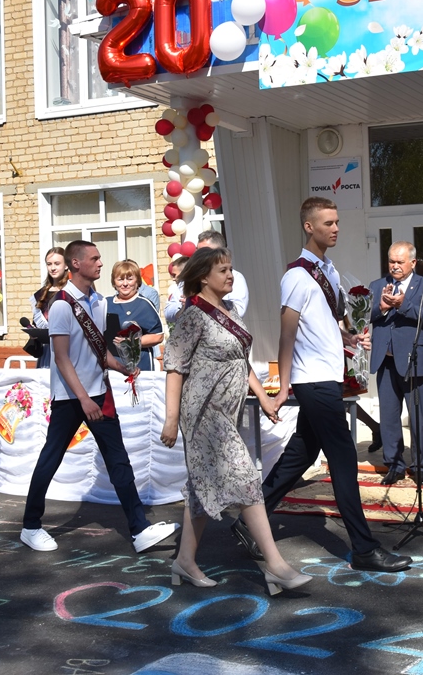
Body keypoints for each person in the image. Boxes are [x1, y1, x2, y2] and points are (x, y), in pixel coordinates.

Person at [233, 197, 410, 573]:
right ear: (309, 227)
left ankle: (248, 521)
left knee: (301, 454)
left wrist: (349, 338)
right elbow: (287, 333)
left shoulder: (328, 269)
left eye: (337, 221)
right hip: (311, 380)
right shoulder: (296, 275)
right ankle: (363, 549)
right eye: (328, 222)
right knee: (344, 460)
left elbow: (328, 324)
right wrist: (282, 388)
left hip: (328, 374)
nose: (336, 228)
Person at [160, 246, 311, 595]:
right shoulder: (192, 316)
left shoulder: (228, 311)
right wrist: (171, 419)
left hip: (228, 410)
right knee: (245, 476)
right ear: (202, 278)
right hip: (202, 413)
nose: (230, 275)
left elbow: (241, 362)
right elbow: (174, 367)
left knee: (202, 486)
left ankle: (184, 560)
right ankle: (275, 566)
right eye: (223, 270)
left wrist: (263, 397)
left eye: (231, 268)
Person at [18, 240, 178, 552]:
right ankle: (31, 525)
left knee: (119, 459)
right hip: (71, 396)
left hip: (99, 392)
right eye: (94, 258)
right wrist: (83, 399)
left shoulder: (100, 302)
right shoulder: (61, 305)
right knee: (51, 458)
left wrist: (121, 367)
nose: (101, 264)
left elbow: (99, 352)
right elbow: (62, 358)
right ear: (75, 264)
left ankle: (139, 528)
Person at [368, 241, 423, 486]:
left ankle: (419, 466)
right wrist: (382, 306)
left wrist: (403, 305)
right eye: (391, 261)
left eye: (400, 262)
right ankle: (394, 465)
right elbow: (365, 315)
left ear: (413, 263)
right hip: (386, 361)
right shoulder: (377, 285)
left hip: (416, 360)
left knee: (419, 417)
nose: (395, 266)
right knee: (389, 417)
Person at [164, 230, 250, 322]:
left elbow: (238, 311)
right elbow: (169, 311)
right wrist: (184, 309)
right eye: (197, 251)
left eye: (204, 252)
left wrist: (201, 304)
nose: (198, 256)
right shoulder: (190, 277)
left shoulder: (235, 277)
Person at [107, 260, 164, 370]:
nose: (125, 283)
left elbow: (158, 336)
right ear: (114, 282)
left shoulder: (143, 304)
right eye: (120, 279)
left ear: (137, 281)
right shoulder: (106, 303)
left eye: (129, 279)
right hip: (112, 368)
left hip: (139, 366)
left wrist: (130, 342)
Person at [29, 247, 68, 368]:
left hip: (69, 350)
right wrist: (34, 333)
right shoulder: (41, 294)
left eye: (57, 263)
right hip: (47, 353)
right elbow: (36, 322)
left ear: (66, 265)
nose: (53, 268)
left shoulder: (72, 291)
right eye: (49, 264)